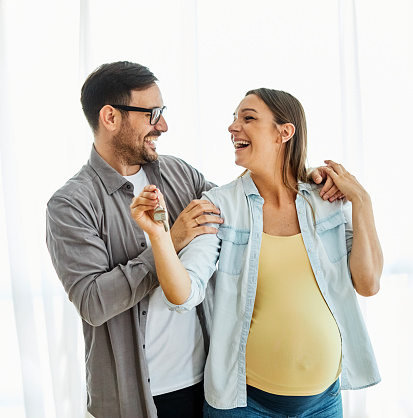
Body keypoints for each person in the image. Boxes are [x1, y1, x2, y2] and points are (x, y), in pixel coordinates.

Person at [46, 61, 342, 418]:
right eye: (152, 113)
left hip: (208, 384)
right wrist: (169, 241)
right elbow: (93, 302)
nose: (163, 125)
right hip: (135, 397)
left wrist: (301, 178)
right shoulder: (71, 204)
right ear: (110, 117)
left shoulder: (178, 173)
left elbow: (243, 207)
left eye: (163, 112)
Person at [131, 88, 383, 417]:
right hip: (246, 406)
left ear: (285, 132)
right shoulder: (220, 205)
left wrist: (362, 202)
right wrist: (159, 236)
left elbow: (368, 284)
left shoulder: (326, 201)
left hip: (325, 402)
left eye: (248, 118)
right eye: (234, 119)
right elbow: (183, 294)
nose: (233, 127)